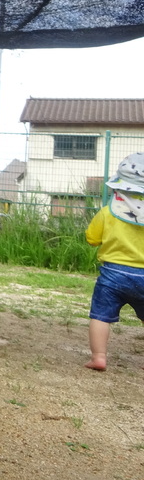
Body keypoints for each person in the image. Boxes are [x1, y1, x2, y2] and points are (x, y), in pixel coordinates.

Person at [84, 151, 144, 372]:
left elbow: (92, 238)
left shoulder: (108, 211)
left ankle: (99, 356)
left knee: (101, 316)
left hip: (113, 275)